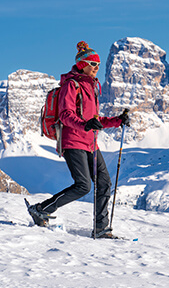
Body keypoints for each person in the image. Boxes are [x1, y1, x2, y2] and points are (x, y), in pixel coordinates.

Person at [27, 41, 130, 238]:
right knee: (83, 185)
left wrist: (118, 120)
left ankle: (101, 228)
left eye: (98, 65)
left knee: (105, 183)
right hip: (73, 141)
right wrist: (85, 125)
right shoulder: (71, 85)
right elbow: (65, 115)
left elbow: (95, 119)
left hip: (90, 142)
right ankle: (40, 209)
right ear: (82, 64)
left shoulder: (92, 87)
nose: (97, 68)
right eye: (93, 64)